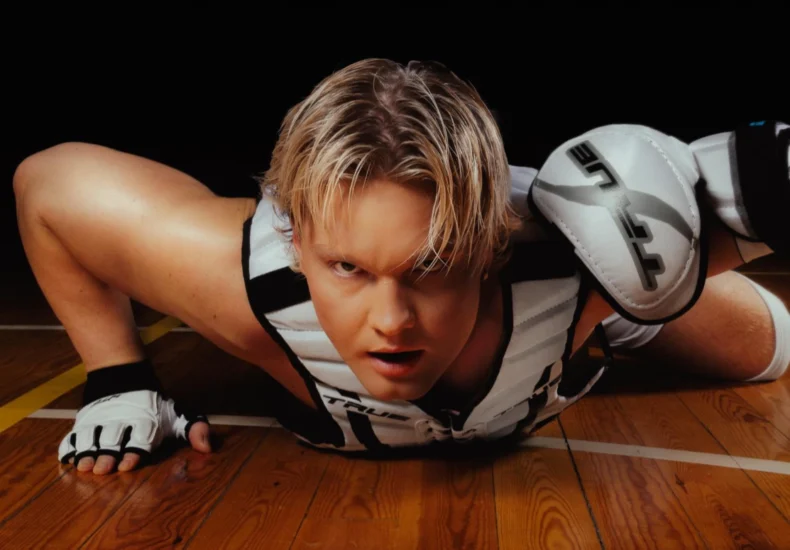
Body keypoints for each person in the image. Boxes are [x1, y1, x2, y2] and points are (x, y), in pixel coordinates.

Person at [12, 59, 790, 476]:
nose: (390, 321)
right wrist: (119, 380)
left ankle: (584, 254)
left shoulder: (567, 265)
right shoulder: (247, 281)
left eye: (431, 267)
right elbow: (48, 183)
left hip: (571, 289)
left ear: (486, 252)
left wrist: (719, 197)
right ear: (297, 244)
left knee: (770, 349)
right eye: (348, 267)